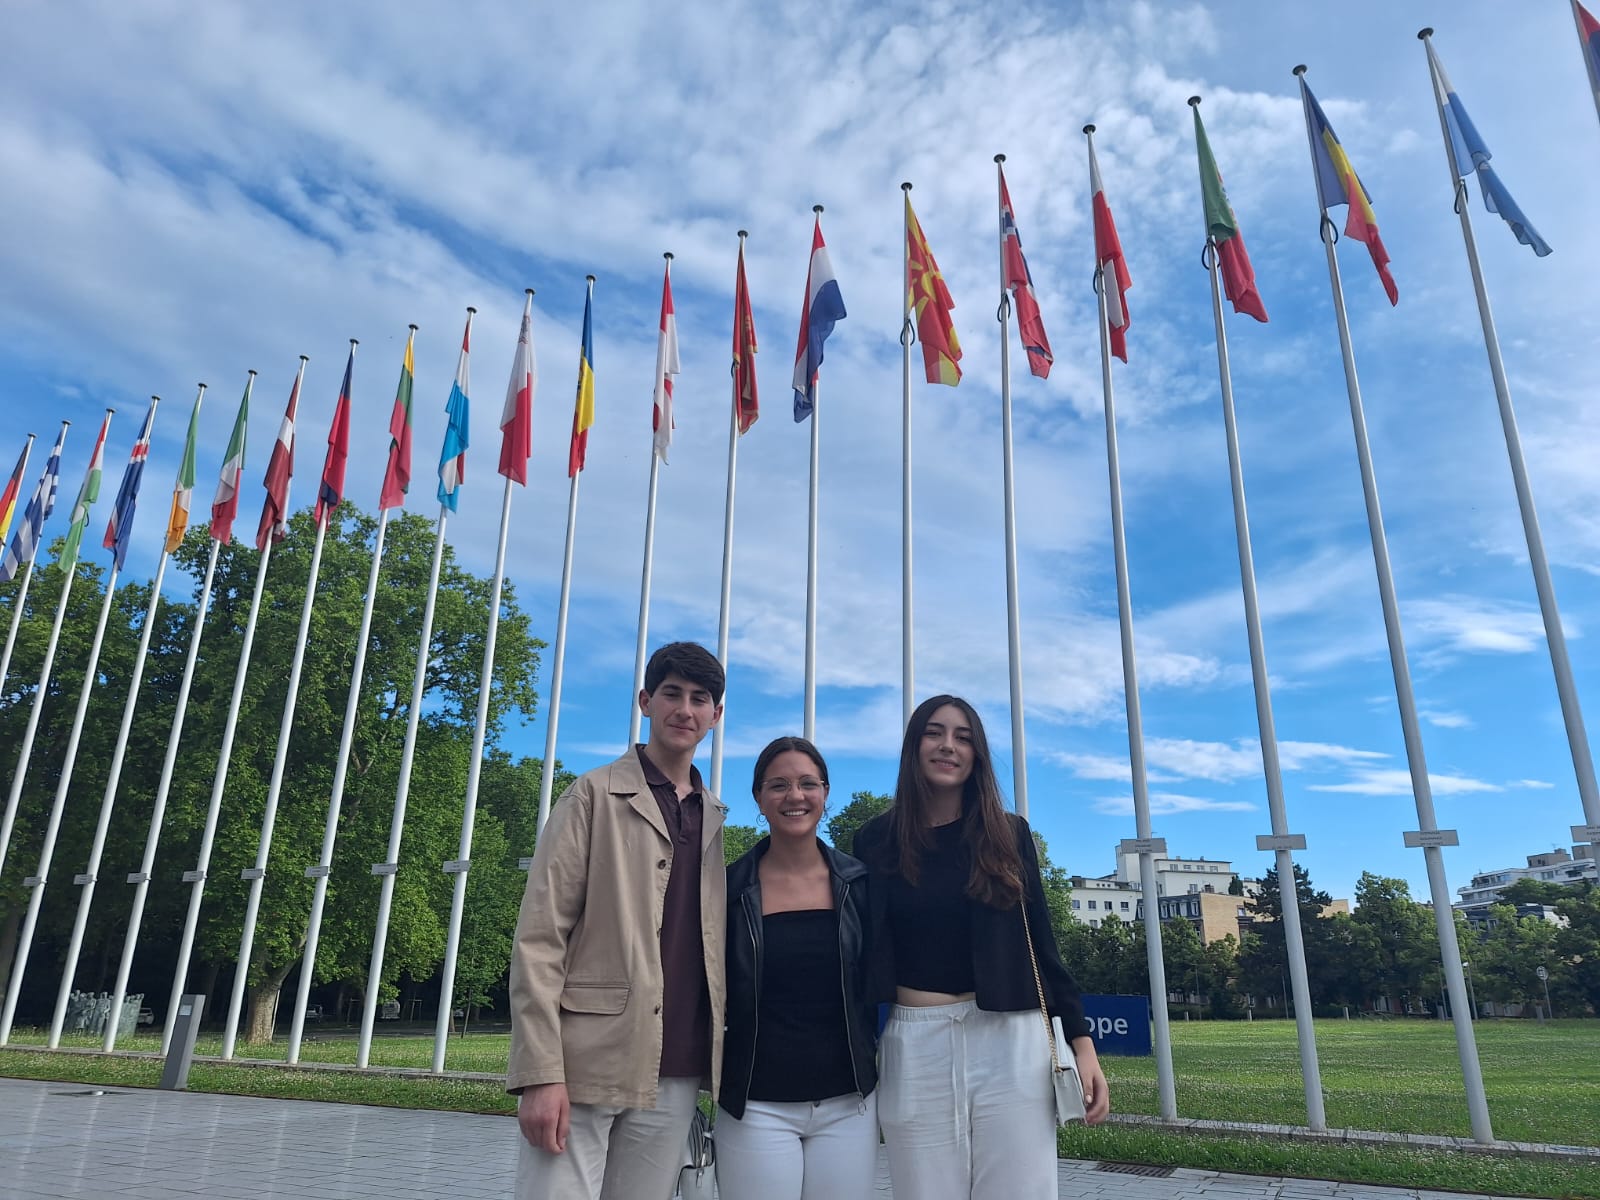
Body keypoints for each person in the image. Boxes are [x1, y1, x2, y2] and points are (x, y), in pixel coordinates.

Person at [853, 694, 1111, 1199]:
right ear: (913, 747)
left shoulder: (1009, 835)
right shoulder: (875, 840)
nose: (948, 746)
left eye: (963, 737)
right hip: (915, 1039)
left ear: (977, 755)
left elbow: (1044, 945)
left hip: (1009, 1040)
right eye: (934, 732)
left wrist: (1083, 1046)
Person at [507, 641, 727, 1200]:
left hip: (674, 1066)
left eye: (700, 698)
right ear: (645, 702)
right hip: (585, 1063)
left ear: (716, 715)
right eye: (671, 694)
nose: (685, 709)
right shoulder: (591, 795)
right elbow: (539, 939)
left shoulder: (713, 816)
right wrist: (539, 1073)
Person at [716, 736, 878, 1200]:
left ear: (825, 795)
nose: (795, 796)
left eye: (809, 783)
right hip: (755, 1104)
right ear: (759, 798)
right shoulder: (727, 890)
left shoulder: (860, 885)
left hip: (850, 1103)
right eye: (779, 785)